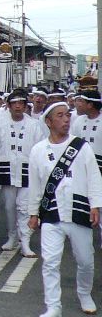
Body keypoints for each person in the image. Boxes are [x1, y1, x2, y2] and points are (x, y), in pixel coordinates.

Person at [28, 101, 102, 317]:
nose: (66, 120)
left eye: (67, 115)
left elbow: (94, 177)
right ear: (49, 122)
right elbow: (35, 185)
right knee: (50, 261)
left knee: (85, 260)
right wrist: (33, 213)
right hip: (51, 212)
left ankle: (84, 293)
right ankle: (53, 306)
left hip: (79, 210)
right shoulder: (38, 150)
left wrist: (95, 205)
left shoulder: (81, 147)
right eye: (60, 116)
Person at [0, 88, 46, 256]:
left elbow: (40, 150)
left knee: (24, 207)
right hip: (7, 170)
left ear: (25, 106)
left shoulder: (34, 125)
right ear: (8, 106)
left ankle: (25, 241)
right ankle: (12, 236)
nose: (17, 107)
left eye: (21, 103)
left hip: (27, 170)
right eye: (14, 103)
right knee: (9, 207)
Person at [70, 89, 102, 245]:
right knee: (80, 200)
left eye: (81, 101)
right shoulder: (78, 121)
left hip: (99, 167)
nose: (77, 104)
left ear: (90, 105)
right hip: (80, 167)